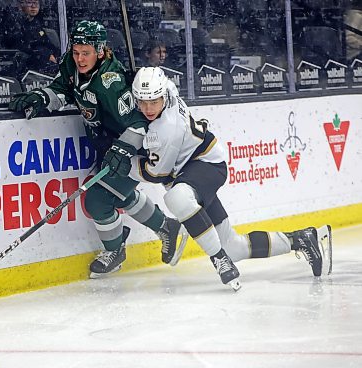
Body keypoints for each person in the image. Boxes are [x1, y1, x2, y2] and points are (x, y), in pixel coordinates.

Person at [8, 21, 188, 278]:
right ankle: (166, 227)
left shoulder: (110, 83)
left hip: (134, 148)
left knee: (97, 200)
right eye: (76, 52)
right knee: (118, 193)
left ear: (100, 51)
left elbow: (139, 122)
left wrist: (123, 149)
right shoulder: (71, 65)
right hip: (107, 144)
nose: (79, 58)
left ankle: (115, 249)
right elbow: (63, 89)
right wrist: (42, 98)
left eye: (86, 53)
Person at [128, 67, 332, 290]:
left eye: (153, 102)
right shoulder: (167, 88)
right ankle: (300, 239)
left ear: (163, 97)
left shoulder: (165, 129)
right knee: (234, 247)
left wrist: (126, 164)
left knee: (176, 198)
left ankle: (218, 259)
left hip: (206, 166)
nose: (148, 108)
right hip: (192, 173)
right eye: (142, 101)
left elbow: (156, 174)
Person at [0, 0, 59, 74]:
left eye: (36, 3)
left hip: (41, 68)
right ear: (20, 5)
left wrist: (53, 54)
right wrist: (45, 54)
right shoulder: (14, 23)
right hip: (23, 69)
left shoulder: (39, 23)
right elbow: (20, 45)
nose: (33, 6)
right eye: (29, 3)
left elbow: (45, 42)